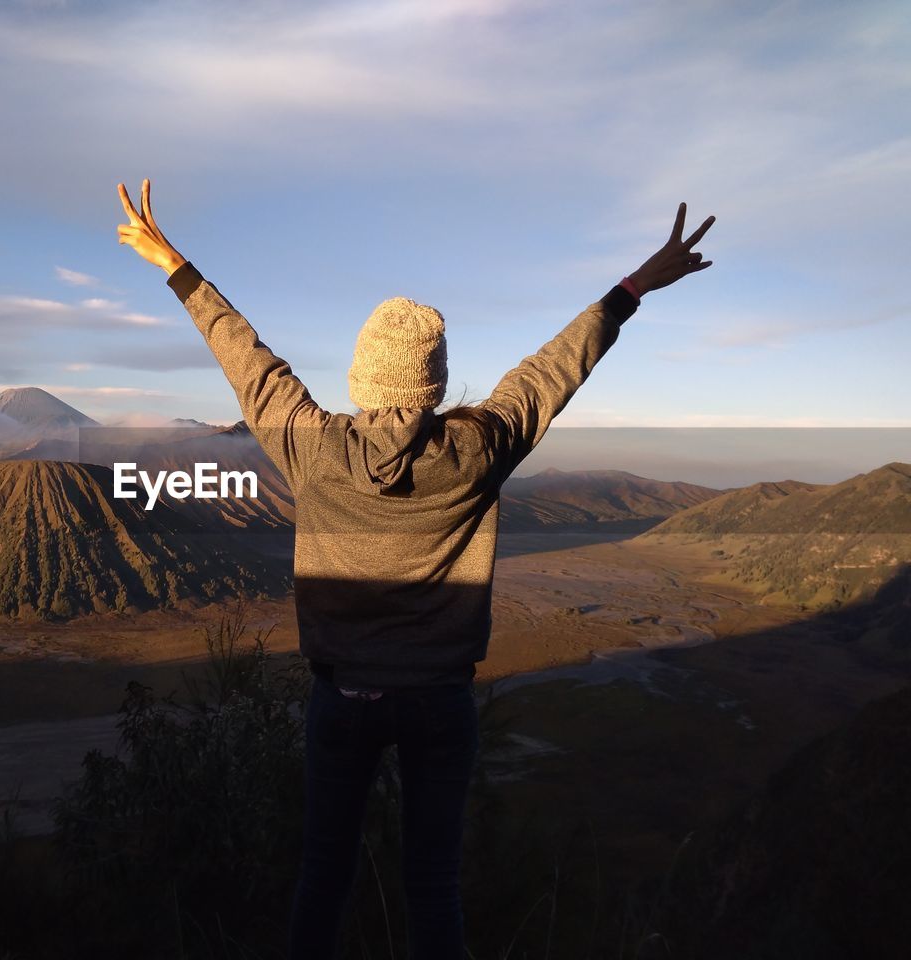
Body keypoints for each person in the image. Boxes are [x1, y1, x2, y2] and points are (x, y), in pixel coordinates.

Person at [116, 179, 715, 959]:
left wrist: (175, 264)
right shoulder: (479, 449)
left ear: (362, 378)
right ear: (433, 384)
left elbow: (248, 361)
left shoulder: (313, 448)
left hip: (344, 697)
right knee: (434, 888)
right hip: (439, 703)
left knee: (323, 876)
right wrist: (636, 285)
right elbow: (556, 368)